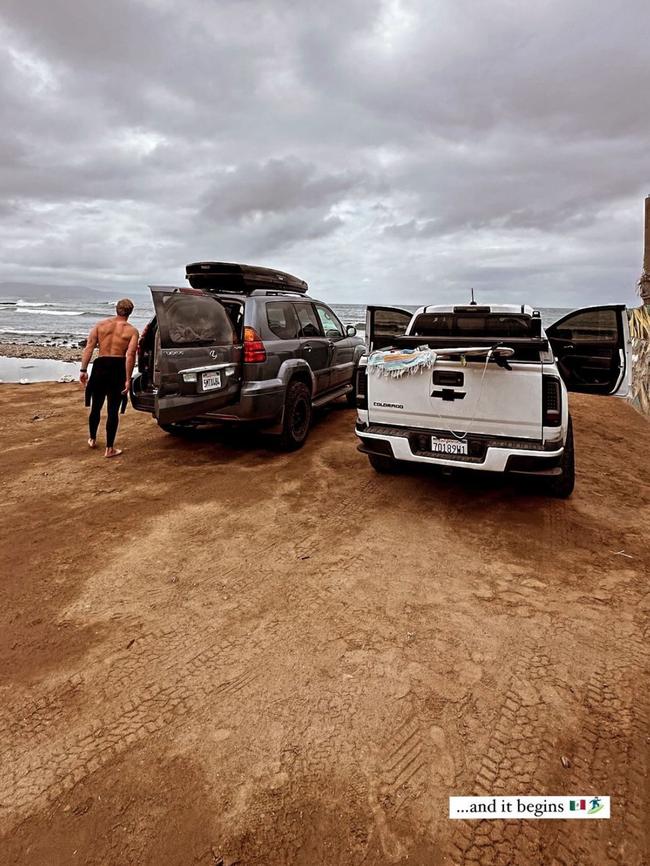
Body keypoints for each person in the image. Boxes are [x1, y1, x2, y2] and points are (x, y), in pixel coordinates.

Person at [80, 299, 139, 458]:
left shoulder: (100, 325)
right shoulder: (132, 331)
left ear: (116, 309)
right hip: (117, 368)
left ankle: (92, 439)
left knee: (96, 406)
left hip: (100, 366)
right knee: (113, 410)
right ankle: (109, 449)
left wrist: (83, 370)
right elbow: (130, 356)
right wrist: (128, 378)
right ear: (130, 312)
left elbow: (89, 347)